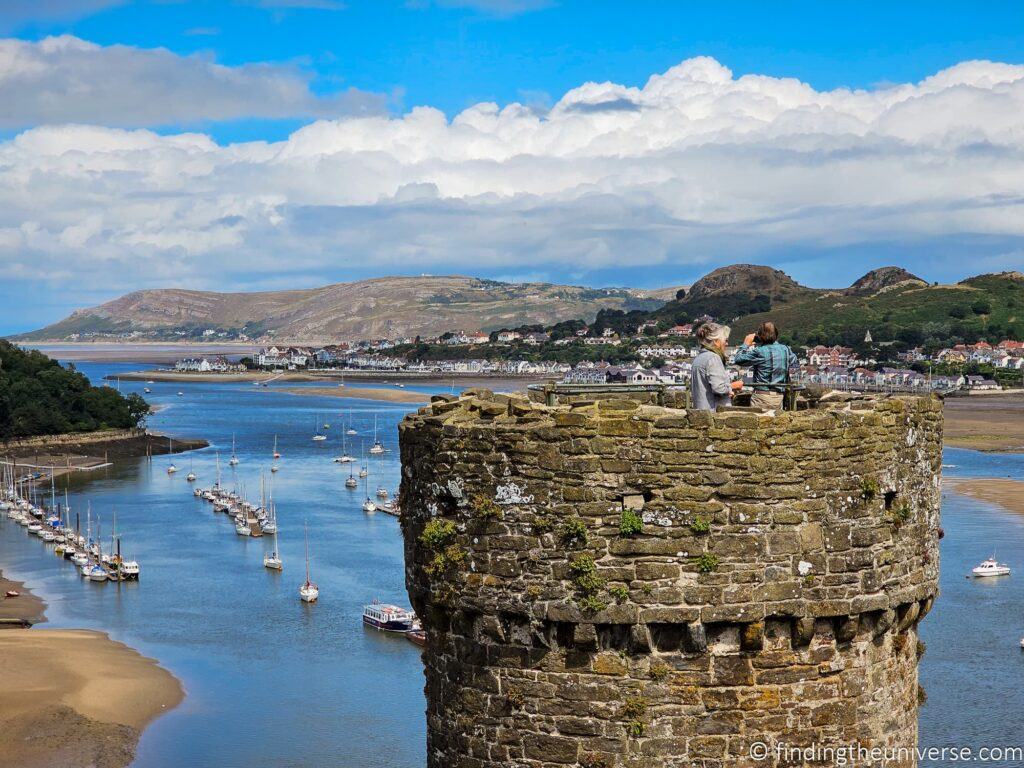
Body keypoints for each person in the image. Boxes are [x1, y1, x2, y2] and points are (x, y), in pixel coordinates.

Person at [733, 321, 797, 410]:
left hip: (761, 397)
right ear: (776, 335)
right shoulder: (785, 349)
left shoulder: (759, 351)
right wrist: (772, 340)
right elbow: (794, 360)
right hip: (779, 397)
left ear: (760, 336)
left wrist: (746, 344)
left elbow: (738, 359)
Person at [690, 322, 742, 411]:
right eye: (725, 340)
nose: (727, 344)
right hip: (714, 413)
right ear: (716, 341)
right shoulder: (713, 358)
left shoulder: (699, 358)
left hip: (701, 411)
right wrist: (733, 386)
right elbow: (719, 388)